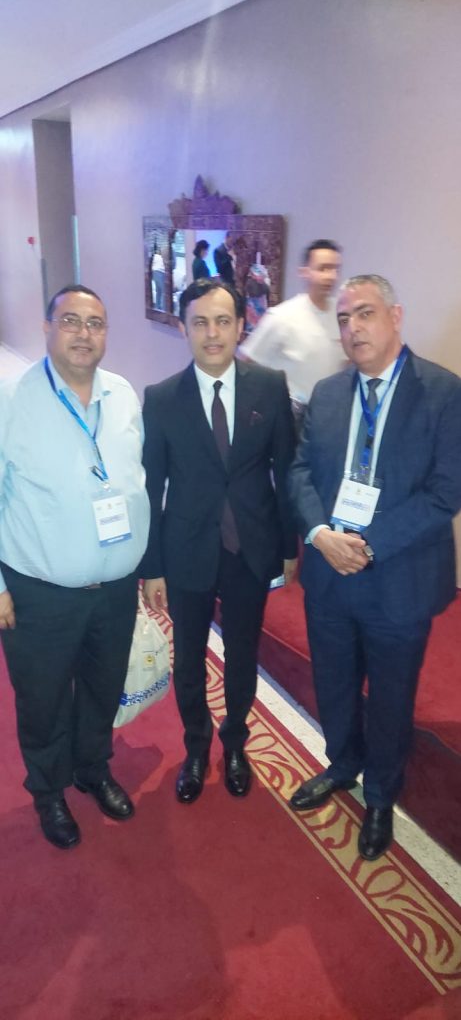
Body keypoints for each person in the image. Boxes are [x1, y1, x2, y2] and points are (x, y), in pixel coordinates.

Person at [288, 274, 461, 861]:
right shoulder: (329, 393)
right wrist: (320, 535)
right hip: (329, 573)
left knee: (391, 695)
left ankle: (382, 795)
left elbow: (446, 493)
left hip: (399, 578)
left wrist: (367, 544)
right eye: (343, 319)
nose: (353, 328)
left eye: (364, 313)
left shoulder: (443, 392)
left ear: (395, 316)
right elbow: (300, 472)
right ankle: (342, 764)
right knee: (334, 681)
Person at [0, 284, 150, 850]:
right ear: (47, 327)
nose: (84, 334)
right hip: (39, 591)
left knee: (101, 686)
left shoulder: (123, 395)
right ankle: (48, 790)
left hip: (114, 586)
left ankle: (92, 767)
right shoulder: (11, 400)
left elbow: (135, 481)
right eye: (70, 321)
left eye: (95, 323)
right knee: (42, 698)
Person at [142, 277, 297, 804]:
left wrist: (289, 548)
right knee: (188, 660)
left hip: (250, 547)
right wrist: (152, 566)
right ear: (184, 328)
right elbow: (151, 487)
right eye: (201, 323)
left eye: (223, 321)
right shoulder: (162, 399)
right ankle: (195, 746)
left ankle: (235, 744)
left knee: (242, 653)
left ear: (240, 325)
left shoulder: (269, 386)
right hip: (186, 549)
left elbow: (285, 470)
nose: (213, 334)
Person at [241, 239, 344, 432]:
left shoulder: (342, 315)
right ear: (304, 272)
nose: (331, 276)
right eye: (323, 268)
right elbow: (246, 364)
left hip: (330, 414)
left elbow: (346, 364)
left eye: (335, 269)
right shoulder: (282, 317)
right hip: (293, 417)